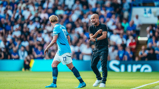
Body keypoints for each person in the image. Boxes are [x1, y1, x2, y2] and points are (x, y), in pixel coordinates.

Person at [44, 15, 86, 88]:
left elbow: (54, 40)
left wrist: (47, 47)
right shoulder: (62, 26)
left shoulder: (56, 28)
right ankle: (54, 83)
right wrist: (68, 44)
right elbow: (68, 36)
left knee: (71, 67)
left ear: (50, 22)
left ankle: (82, 82)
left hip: (63, 50)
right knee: (54, 64)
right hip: (61, 50)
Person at [88, 14, 108, 87]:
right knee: (93, 65)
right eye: (91, 19)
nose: (92, 20)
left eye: (93, 18)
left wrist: (95, 38)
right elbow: (91, 38)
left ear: (97, 18)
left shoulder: (103, 26)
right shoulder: (91, 27)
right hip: (96, 48)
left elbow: (104, 36)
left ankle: (103, 81)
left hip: (104, 47)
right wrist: (96, 33)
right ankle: (99, 78)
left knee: (103, 65)